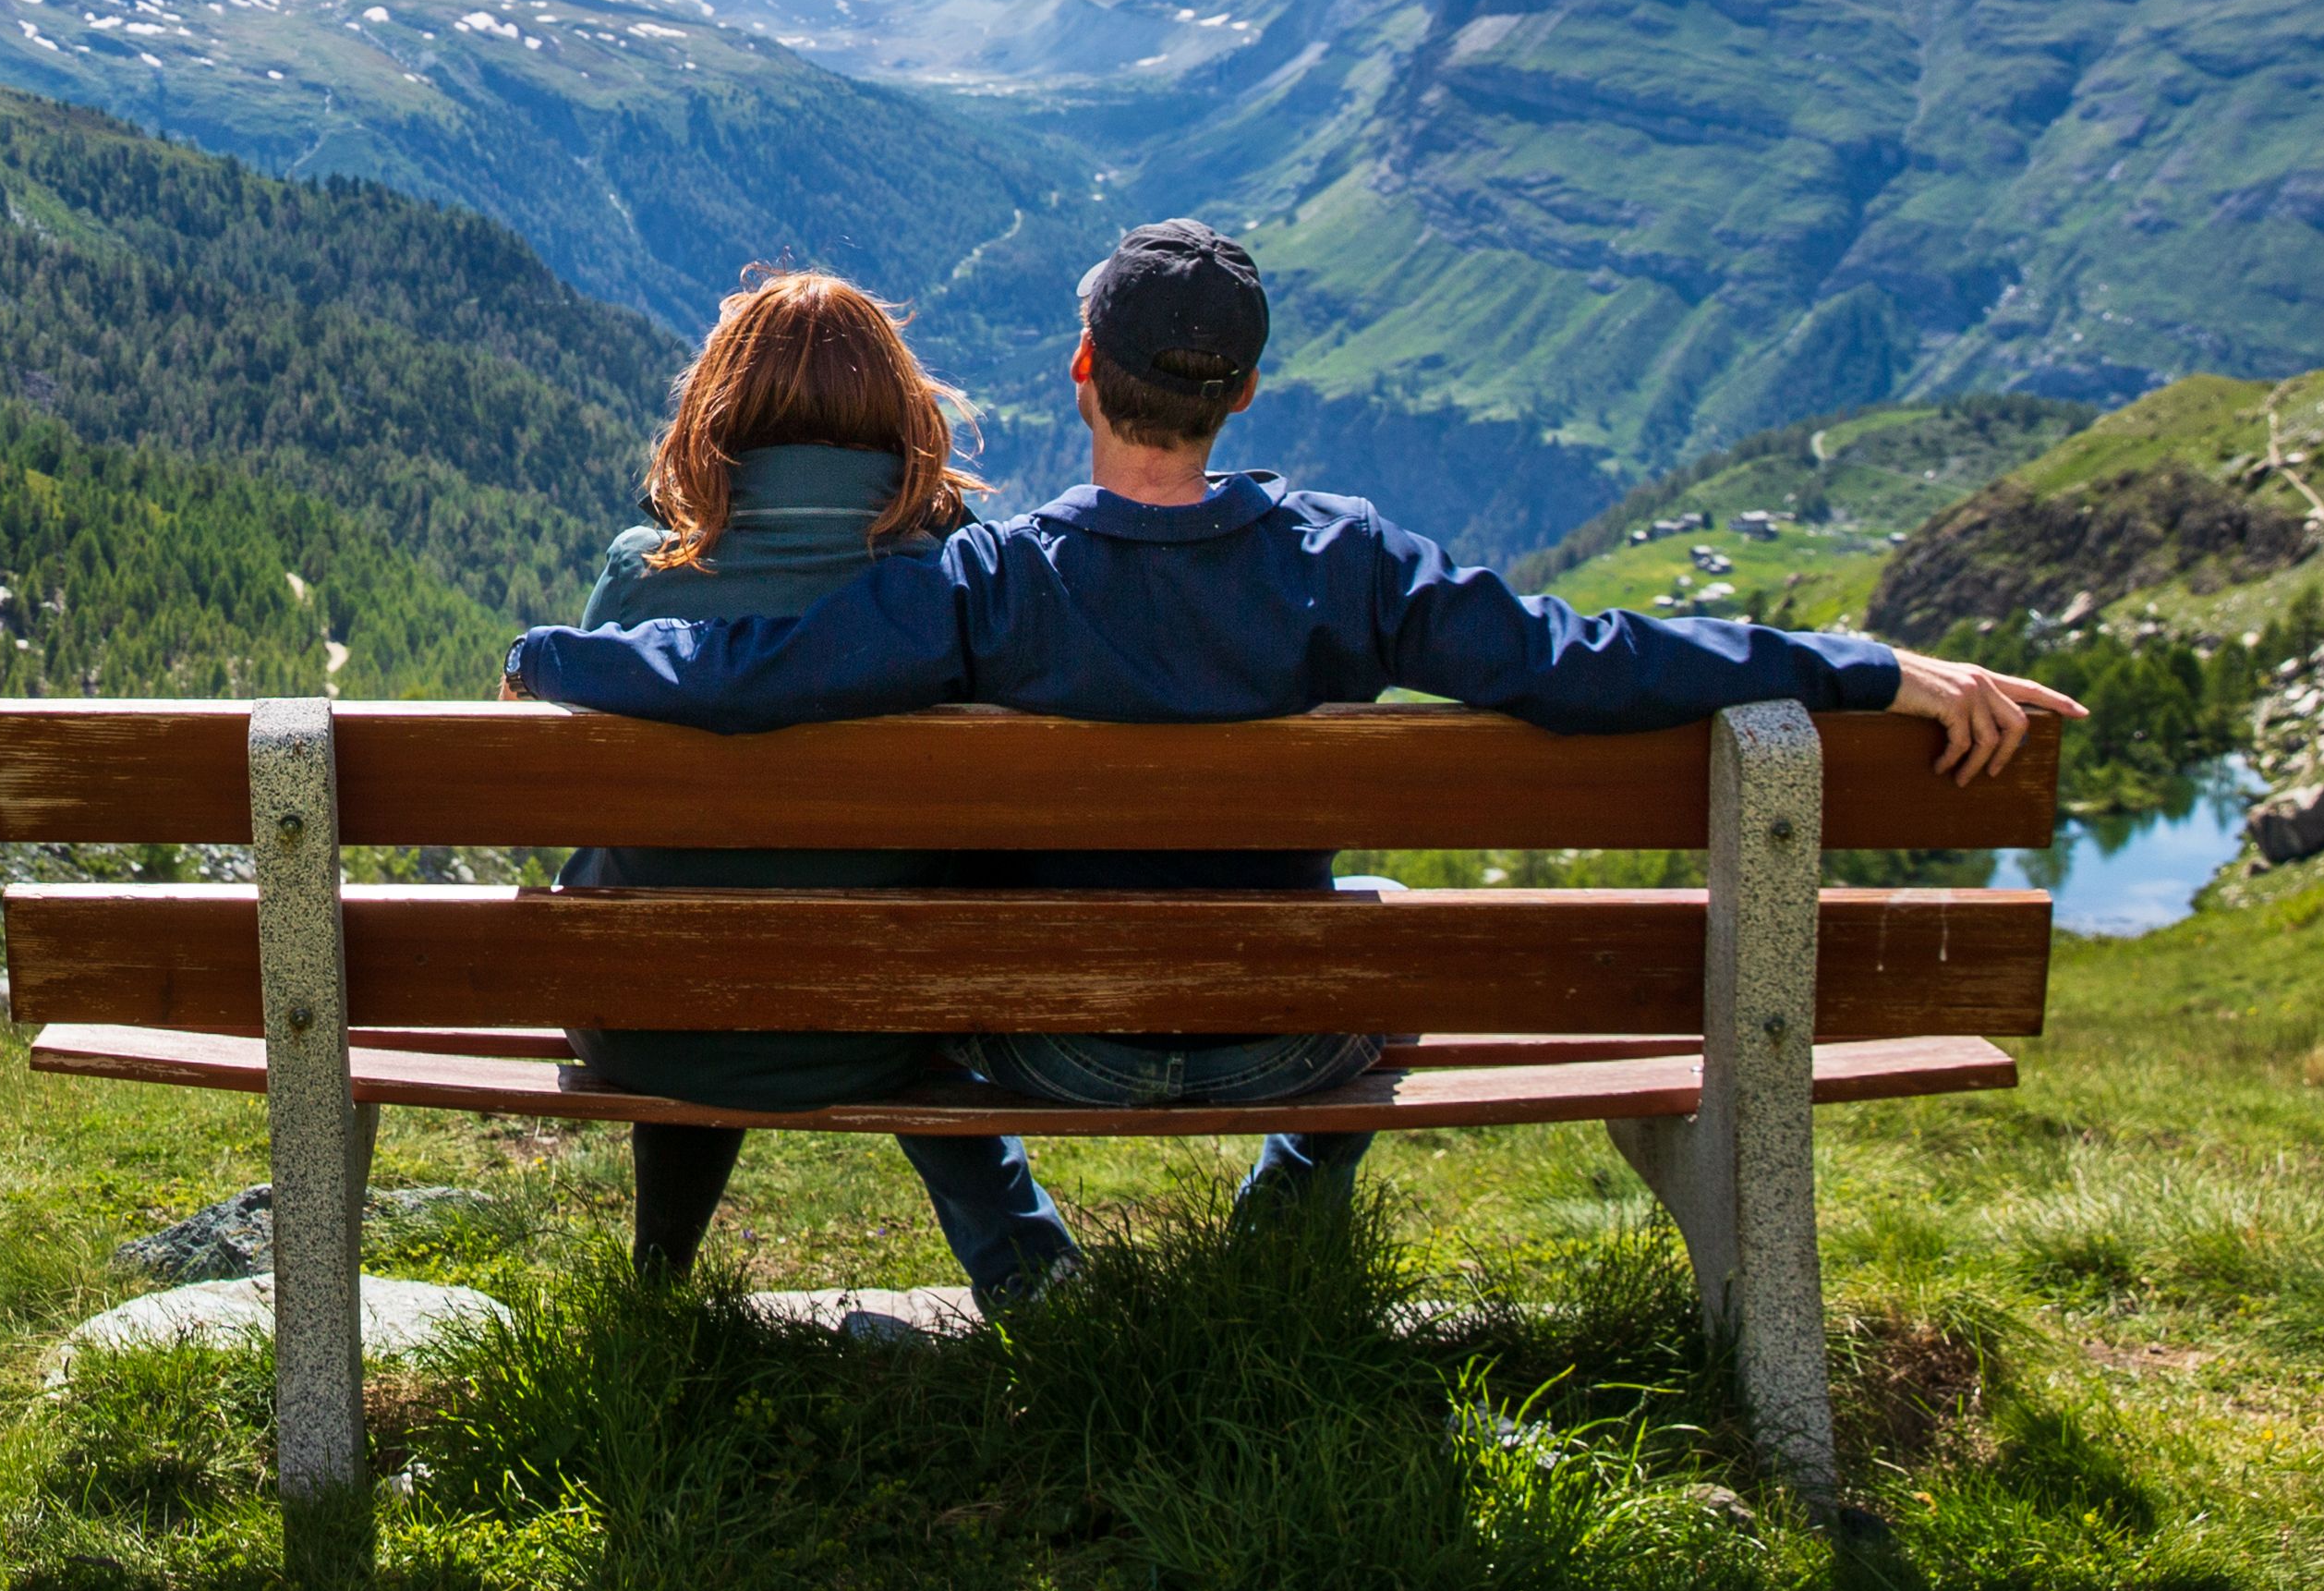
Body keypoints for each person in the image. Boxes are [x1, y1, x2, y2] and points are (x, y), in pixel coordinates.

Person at [508, 221, 2081, 1242]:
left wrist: (570, 657)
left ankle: (1028, 1259)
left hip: (1056, 1045)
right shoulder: (1353, 563)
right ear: (1248, 391)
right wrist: (1855, 668)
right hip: (1294, 1035)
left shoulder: (994, 579)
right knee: (1388, 929)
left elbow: (762, 676)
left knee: (962, 933)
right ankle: (1288, 1203)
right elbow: (1584, 662)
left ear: (1080, 375)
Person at [540, 266, 1090, 1307]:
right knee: (905, 921)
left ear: (721, 409)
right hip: (880, 1018)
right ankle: (1034, 1274)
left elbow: (582, 803)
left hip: (650, 1014)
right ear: (898, 413)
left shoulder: (643, 573)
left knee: (686, 904)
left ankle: (659, 1282)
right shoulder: (956, 581)